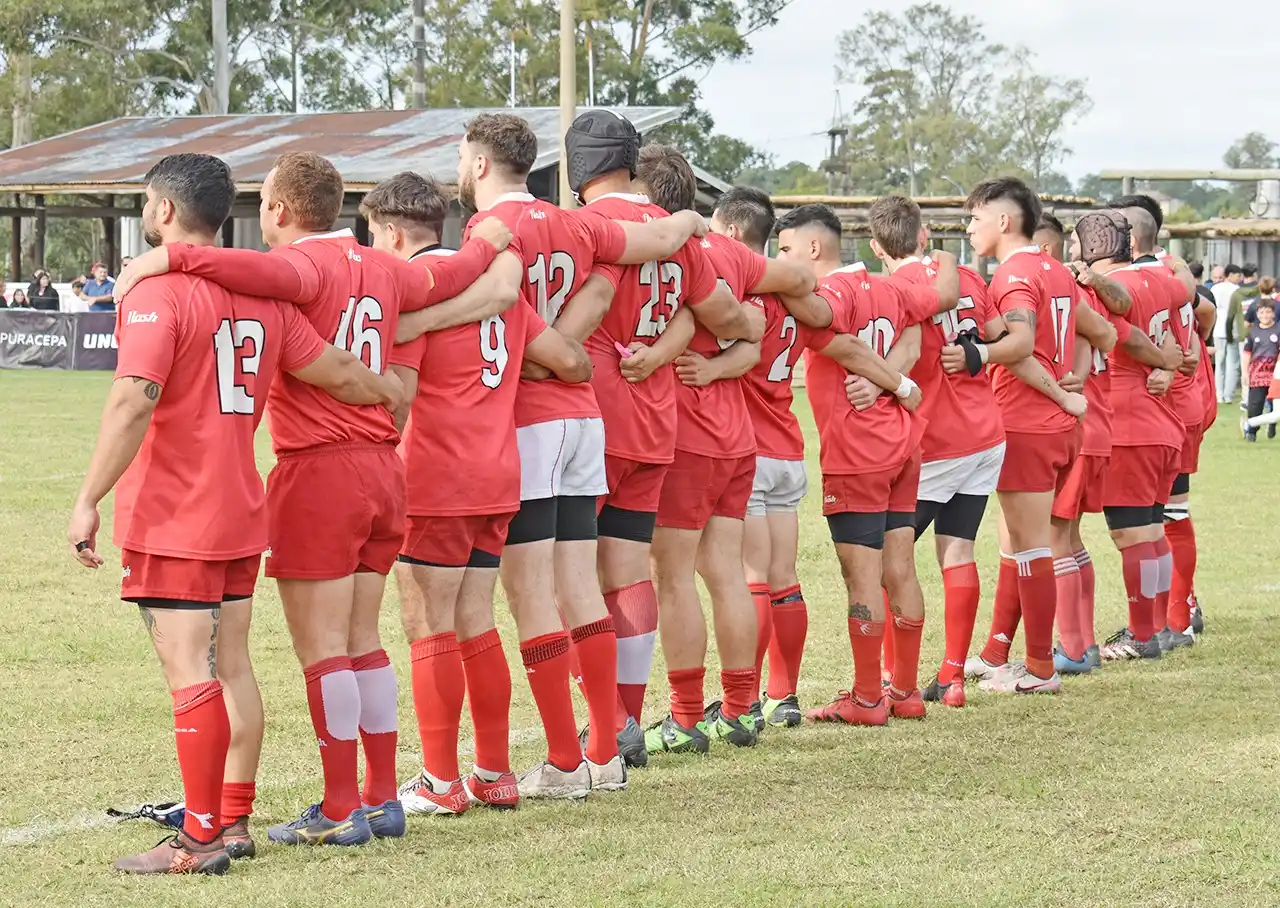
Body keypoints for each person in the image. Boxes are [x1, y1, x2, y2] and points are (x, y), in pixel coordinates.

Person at [114, 152, 514, 849]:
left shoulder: (304, 267)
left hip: (320, 470)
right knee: (365, 643)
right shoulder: (384, 267)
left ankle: (339, 806)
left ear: (276, 211)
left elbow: (239, 267)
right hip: (385, 469)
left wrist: (167, 262)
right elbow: (447, 273)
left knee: (324, 649)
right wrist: (487, 243)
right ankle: (382, 797)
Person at [66, 152, 401, 875]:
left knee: (191, 671)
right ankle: (233, 817)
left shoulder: (159, 292)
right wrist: (390, 391)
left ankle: (199, 839)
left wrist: (89, 498)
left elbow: (134, 398)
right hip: (243, 506)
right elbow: (335, 371)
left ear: (161, 211)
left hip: (178, 510)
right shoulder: (269, 299)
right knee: (233, 668)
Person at [424, 113, 713, 794]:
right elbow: (646, 251)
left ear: (482, 163)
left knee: (531, 592)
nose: (462, 169)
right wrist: (693, 225)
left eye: (465, 158)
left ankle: (563, 762)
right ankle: (606, 752)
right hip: (586, 420)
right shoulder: (573, 223)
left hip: (530, 420)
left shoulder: (490, 232)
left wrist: (544, 352)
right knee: (581, 583)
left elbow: (489, 310)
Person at [373, 175, 596, 816]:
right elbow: (570, 361)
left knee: (427, 621)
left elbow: (400, 396)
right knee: (476, 620)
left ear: (391, 234)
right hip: (501, 474)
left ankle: (441, 781)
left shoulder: (419, 296)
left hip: (439, 477)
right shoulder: (500, 295)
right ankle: (493, 772)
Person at [560, 110, 757, 758]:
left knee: (575, 576)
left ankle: (604, 721)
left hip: (591, 416)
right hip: (656, 424)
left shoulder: (587, 225)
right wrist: (734, 329)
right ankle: (629, 718)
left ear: (579, 168)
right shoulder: (681, 237)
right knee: (629, 574)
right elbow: (726, 315)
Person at [716, 191, 913, 728]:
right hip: (790, 444)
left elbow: (745, 348)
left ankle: (747, 702)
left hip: (753, 446)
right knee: (784, 576)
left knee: (754, 576)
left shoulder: (749, 297)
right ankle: (786, 695)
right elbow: (899, 326)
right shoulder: (799, 299)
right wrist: (898, 380)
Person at [771, 203, 942, 725]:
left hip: (857, 452)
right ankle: (906, 692)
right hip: (902, 446)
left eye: (785, 250)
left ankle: (868, 698)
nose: (780, 260)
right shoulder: (888, 286)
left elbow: (833, 333)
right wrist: (895, 376)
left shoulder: (831, 293)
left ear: (814, 249)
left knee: (862, 578)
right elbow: (918, 327)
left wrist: (886, 379)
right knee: (901, 569)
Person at [863, 196, 1003, 708]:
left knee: (883, 558)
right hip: (985, 434)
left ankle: (890, 676)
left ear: (876, 246)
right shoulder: (965, 276)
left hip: (934, 440)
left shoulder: (891, 289)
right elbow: (997, 336)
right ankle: (953, 677)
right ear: (924, 236)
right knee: (959, 549)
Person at [956, 178, 1086, 695]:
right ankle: (996, 653)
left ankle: (1040, 669)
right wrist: (1075, 379)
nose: (969, 229)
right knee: (1014, 540)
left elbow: (1020, 344)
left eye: (975, 218)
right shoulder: (1056, 268)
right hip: (1050, 423)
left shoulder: (1014, 273)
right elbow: (1097, 331)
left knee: (1030, 546)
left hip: (1029, 421)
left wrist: (1059, 392)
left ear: (1003, 220)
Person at [1242, 299, 1279, 441]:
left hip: (1275, 374)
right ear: (1257, 314)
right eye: (1262, 312)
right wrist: (1245, 372)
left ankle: (1272, 423)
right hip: (1257, 373)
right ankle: (1252, 431)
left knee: (1274, 403)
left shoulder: (1278, 330)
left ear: (1273, 314)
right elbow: (1247, 353)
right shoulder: (1253, 332)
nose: (1265, 315)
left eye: (1268, 312)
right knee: (1254, 404)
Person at [1213, 264, 1243, 402]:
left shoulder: (1215, 288)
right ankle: (1228, 394)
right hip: (1232, 329)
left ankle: (1219, 394)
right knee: (1233, 363)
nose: (1239, 278)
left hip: (1218, 328)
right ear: (1230, 275)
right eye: (1237, 275)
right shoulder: (1237, 290)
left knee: (1219, 364)